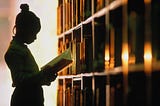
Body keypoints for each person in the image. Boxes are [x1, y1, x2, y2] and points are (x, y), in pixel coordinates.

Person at [4, 4, 57, 106]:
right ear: (24, 30)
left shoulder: (21, 49)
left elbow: (30, 79)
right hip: (25, 100)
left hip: (30, 98)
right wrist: (42, 74)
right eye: (34, 33)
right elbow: (20, 80)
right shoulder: (14, 51)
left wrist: (45, 78)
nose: (35, 38)